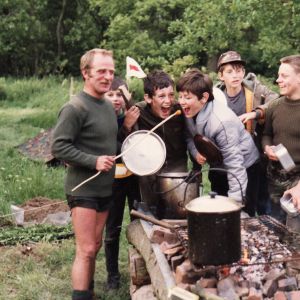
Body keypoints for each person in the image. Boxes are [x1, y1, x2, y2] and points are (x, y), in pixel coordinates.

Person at [51, 48, 118, 300]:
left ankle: (87, 292)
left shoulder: (108, 106)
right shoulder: (75, 107)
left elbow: (106, 140)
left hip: (104, 189)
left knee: (96, 245)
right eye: (101, 71)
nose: (107, 76)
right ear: (85, 73)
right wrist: (94, 161)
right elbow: (58, 146)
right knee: (86, 249)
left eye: (111, 71)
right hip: (83, 188)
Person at [177, 68, 260, 203]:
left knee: (239, 213)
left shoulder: (222, 122)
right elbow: (189, 135)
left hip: (244, 166)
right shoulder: (188, 110)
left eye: (187, 97)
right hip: (218, 164)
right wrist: (195, 151)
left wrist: (236, 203)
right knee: (218, 206)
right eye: (180, 96)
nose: (181, 101)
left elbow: (235, 164)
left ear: (204, 97)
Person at [214, 50, 279, 216]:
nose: (236, 75)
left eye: (239, 70)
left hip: (252, 157)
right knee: (222, 202)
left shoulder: (256, 90)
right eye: (230, 72)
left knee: (253, 202)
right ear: (221, 76)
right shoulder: (215, 97)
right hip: (224, 158)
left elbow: (276, 100)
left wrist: (256, 113)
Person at [119, 70, 191, 218]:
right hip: (149, 172)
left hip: (176, 168)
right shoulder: (138, 111)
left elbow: (192, 135)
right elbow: (126, 143)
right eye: (161, 96)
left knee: (178, 211)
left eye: (171, 95)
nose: (168, 101)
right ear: (148, 98)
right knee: (152, 212)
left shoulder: (180, 110)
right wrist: (126, 126)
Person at [103, 77, 141, 290]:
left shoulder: (134, 114)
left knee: (138, 222)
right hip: (112, 182)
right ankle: (112, 276)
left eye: (120, 95)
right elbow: (112, 149)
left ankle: (141, 266)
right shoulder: (101, 117)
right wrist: (125, 127)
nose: (116, 99)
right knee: (113, 229)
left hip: (134, 178)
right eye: (111, 94)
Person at [262, 54, 300, 224]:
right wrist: (267, 147)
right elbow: (267, 134)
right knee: (274, 232)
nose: (278, 80)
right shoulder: (274, 106)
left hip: (298, 183)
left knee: (295, 238)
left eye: (284, 76)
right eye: (278, 75)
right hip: (275, 181)